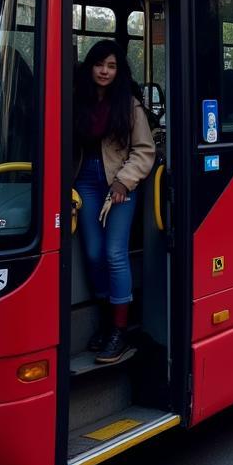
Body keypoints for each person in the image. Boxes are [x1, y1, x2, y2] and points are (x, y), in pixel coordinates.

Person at [74, 40, 155, 364]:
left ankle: (119, 330)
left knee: (114, 253)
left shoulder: (130, 105)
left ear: (118, 70)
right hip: (85, 183)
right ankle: (108, 322)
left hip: (119, 184)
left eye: (111, 66)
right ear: (90, 67)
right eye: (99, 65)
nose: (105, 71)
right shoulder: (78, 99)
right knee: (93, 254)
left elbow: (144, 149)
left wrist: (125, 181)